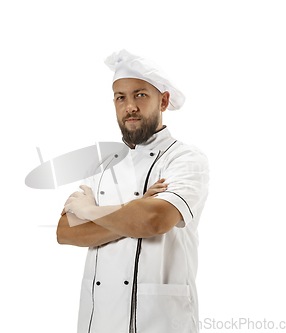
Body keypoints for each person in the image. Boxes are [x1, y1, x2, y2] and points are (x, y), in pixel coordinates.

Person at [56, 49, 210, 333]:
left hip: (159, 320)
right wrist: (135, 211)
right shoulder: (102, 166)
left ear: (163, 100)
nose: (130, 107)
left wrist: (90, 212)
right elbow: (65, 232)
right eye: (121, 97)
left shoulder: (185, 159)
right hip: (98, 319)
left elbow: (154, 221)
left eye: (140, 95)